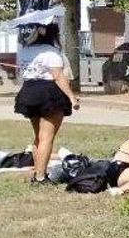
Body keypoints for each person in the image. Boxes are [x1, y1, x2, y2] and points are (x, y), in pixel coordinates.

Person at [10, 21, 79, 185]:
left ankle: (38, 172)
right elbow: (58, 76)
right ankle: (41, 177)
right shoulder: (51, 52)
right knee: (47, 137)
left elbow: (21, 71)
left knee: (38, 138)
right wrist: (72, 97)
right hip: (48, 92)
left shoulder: (24, 51)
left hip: (28, 90)